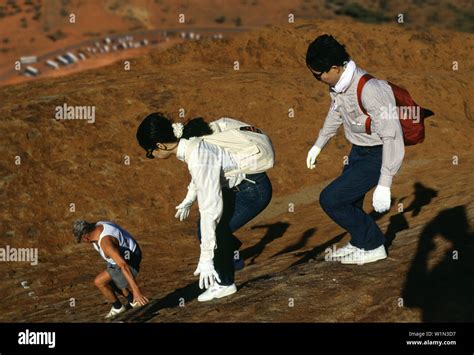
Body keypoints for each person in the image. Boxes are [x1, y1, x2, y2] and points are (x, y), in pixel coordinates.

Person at [136, 113, 273, 301]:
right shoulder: (190, 142)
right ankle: (232, 258)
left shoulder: (197, 154)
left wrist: (206, 257)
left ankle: (225, 284)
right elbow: (203, 175)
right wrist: (189, 198)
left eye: (150, 152)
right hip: (244, 185)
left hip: (252, 191)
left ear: (160, 146)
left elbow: (210, 206)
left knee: (212, 229)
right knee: (211, 229)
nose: (152, 156)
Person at [306, 34, 405, 265]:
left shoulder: (370, 90)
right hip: (358, 151)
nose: (316, 78)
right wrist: (319, 144)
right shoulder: (338, 86)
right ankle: (360, 240)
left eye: (317, 75)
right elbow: (336, 113)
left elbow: (393, 136)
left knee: (332, 199)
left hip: (378, 154)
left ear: (333, 68)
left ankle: (374, 245)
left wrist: (385, 183)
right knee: (351, 202)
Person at [72, 219, 149, 319]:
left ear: (86, 238)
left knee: (99, 282)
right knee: (114, 278)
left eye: (81, 239)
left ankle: (119, 307)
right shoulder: (100, 224)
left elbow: (123, 266)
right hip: (131, 250)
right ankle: (130, 300)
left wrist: (136, 291)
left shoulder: (106, 244)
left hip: (130, 260)